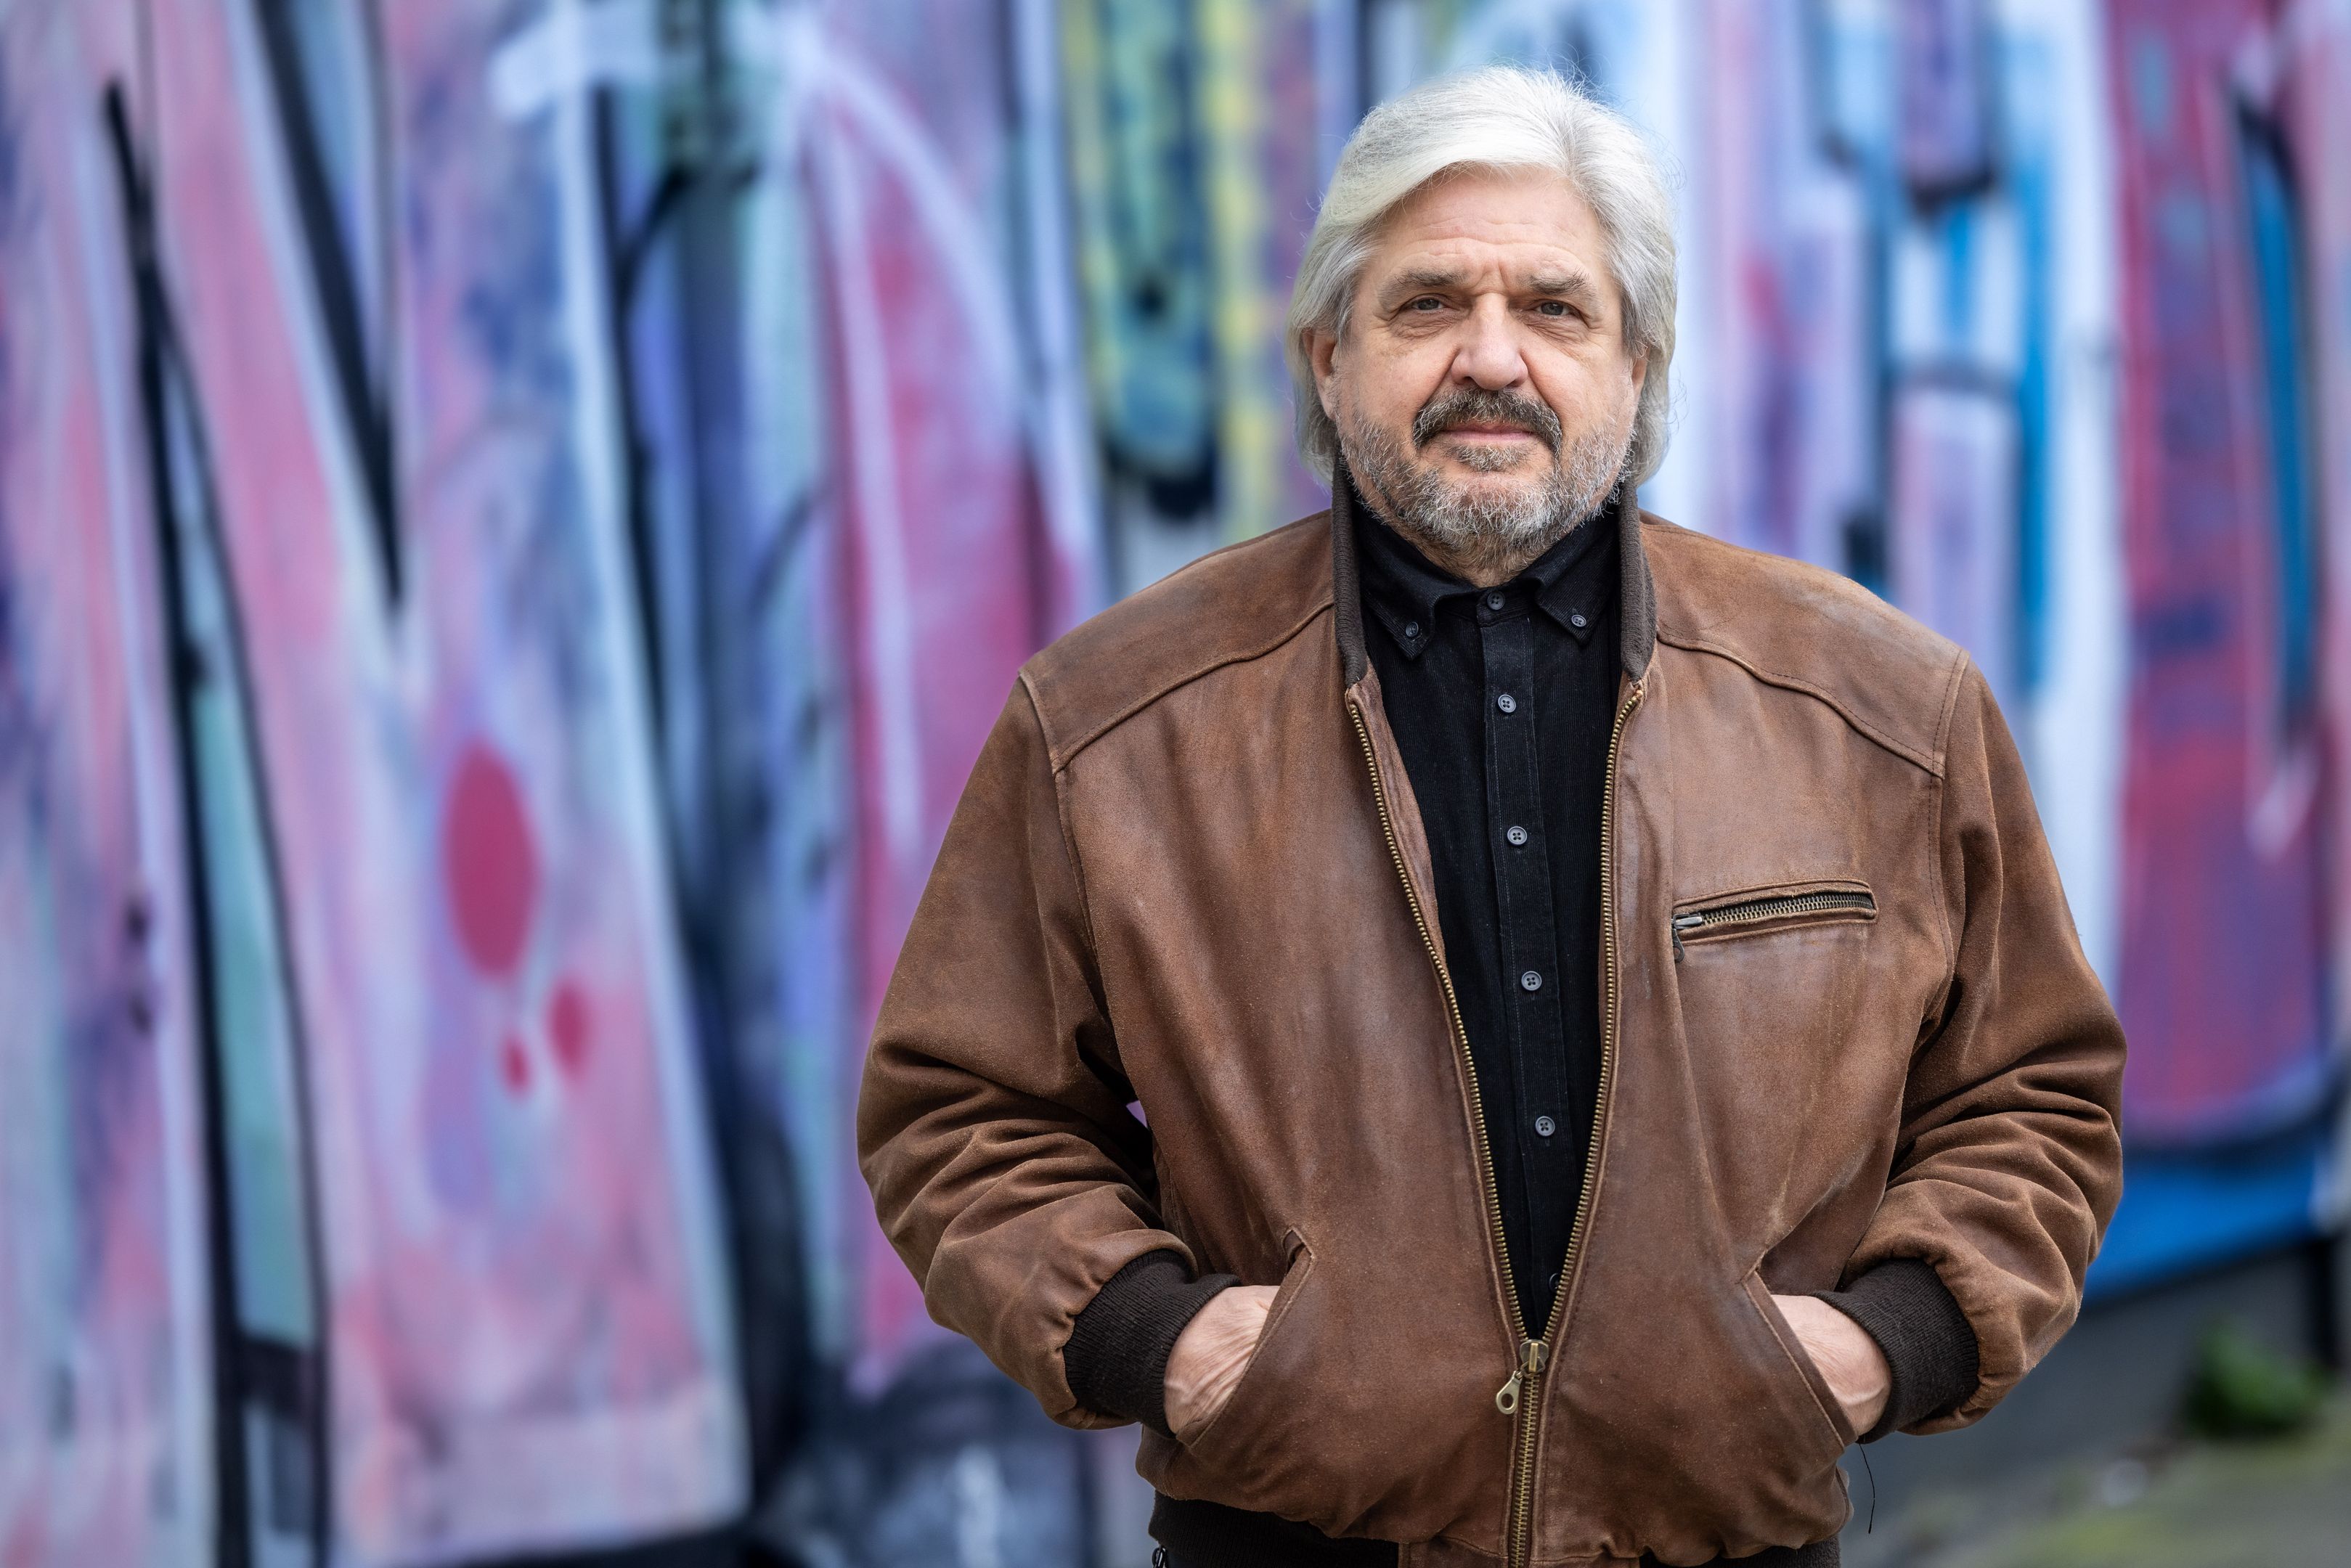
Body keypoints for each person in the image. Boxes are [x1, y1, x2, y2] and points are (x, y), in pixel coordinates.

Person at [857, 65, 2124, 1568]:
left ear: (1637, 365)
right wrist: (1161, 1338)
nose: (1490, 356)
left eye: (1554, 308)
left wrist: (1879, 1345)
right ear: (1327, 355)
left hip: (1723, 1542)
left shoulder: (1875, 708)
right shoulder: (1118, 722)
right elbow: (960, 1109)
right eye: (1425, 305)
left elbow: (2030, 1088)